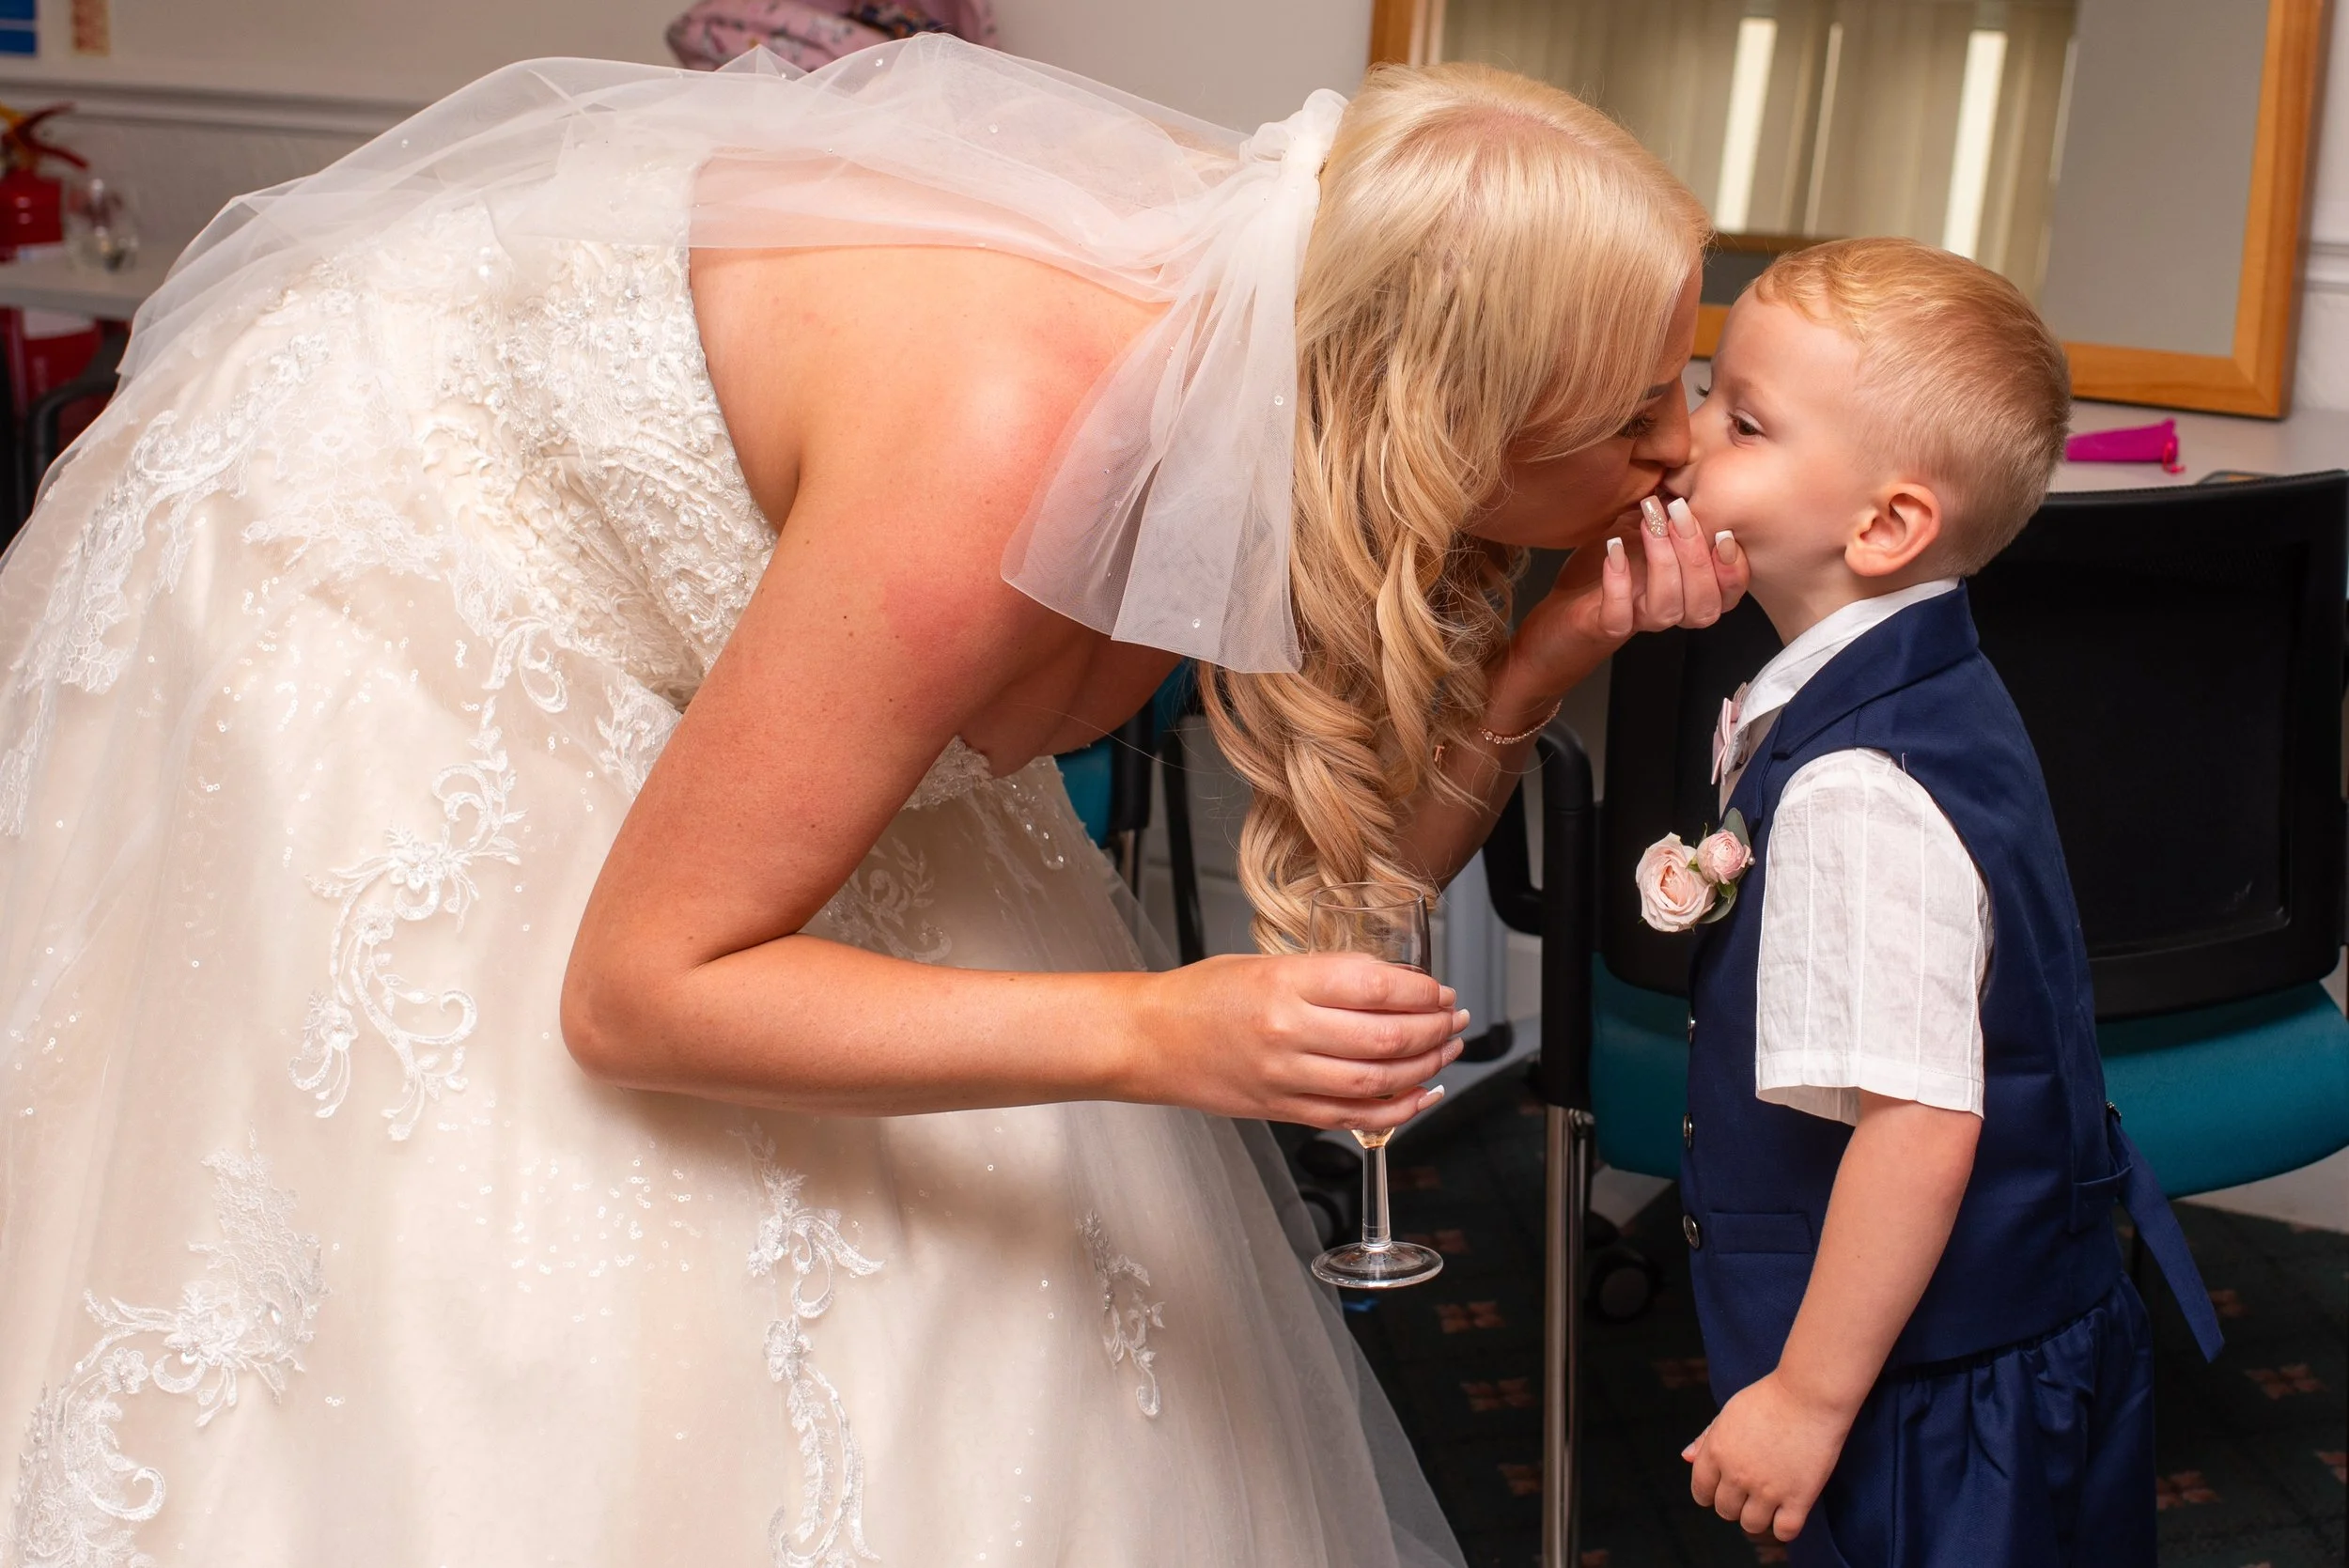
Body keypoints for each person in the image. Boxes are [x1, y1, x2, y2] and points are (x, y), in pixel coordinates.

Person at [0, 37, 1741, 1567]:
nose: (1682, 448)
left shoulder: (1277, 368)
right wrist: (1148, 1035)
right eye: (1636, 410)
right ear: (1444, 419)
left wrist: (1542, 655)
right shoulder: (1006, 457)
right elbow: (638, 993)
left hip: (841, 553)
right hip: (382, 557)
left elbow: (1350, 912)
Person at [1642, 237, 2224, 1565]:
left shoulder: (1857, 782)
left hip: (1930, 1400)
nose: (1682, 436)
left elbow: (1916, 1129)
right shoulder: (1917, 686)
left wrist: (1806, 1396)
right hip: (1991, 1343)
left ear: (1887, 524)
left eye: (1738, 419)